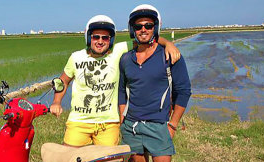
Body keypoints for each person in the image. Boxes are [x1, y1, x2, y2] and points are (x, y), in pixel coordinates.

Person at [118, 4, 192, 162]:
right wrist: (122, 116)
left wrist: (173, 123)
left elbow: (184, 91)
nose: (143, 29)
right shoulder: (126, 59)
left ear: (155, 27)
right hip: (132, 126)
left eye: (148, 25)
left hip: (159, 125)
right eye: (138, 26)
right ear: (132, 29)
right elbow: (121, 91)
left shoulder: (168, 55)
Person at [50, 14, 180, 147]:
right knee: (69, 160)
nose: (100, 41)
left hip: (108, 123)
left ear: (110, 40)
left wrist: (168, 44)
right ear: (89, 37)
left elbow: (146, 40)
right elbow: (63, 81)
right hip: (78, 121)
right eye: (96, 37)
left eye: (105, 38)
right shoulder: (76, 57)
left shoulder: (117, 51)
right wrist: (56, 102)